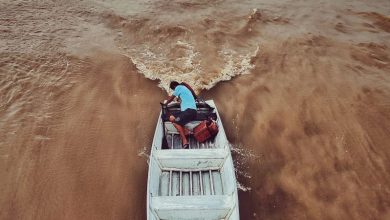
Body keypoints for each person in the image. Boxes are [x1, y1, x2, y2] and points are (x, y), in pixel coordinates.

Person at [163, 81, 197, 149]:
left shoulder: (178, 87)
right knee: (172, 118)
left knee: (176, 122)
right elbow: (182, 99)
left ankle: (185, 141)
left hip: (189, 111)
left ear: (174, 87)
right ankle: (186, 132)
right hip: (190, 112)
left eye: (173, 90)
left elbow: (171, 98)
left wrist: (165, 104)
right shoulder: (184, 89)